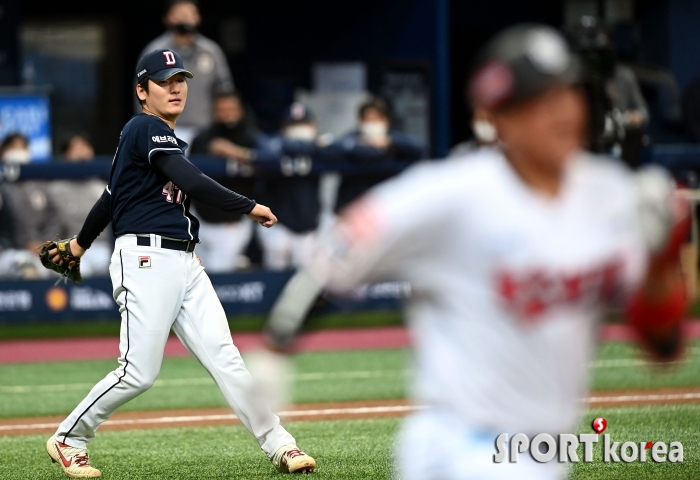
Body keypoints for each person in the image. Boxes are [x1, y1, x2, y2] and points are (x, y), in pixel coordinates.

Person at [261, 25, 688, 479]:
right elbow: (335, 256)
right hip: (461, 447)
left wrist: (661, 261)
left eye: (567, 95)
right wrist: (277, 346)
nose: (560, 113)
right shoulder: (451, 194)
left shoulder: (611, 194)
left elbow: (662, 346)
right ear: (497, 117)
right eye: (536, 103)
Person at [44, 48, 315, 478]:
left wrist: (78, 245)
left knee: (226, 358)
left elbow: (111, 198)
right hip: (146, 259)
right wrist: (248, 205)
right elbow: (189, 180)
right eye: (164, 80)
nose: (175, 88)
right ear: (141, 90)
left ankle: (281, 445)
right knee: (138, 373)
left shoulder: (156, 138)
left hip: (184, 261)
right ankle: (68, 438)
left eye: (180, 80)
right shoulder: (144, 127)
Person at [137, 0, 235, 144]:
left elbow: (225, 91)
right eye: (180, 13)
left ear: (198, 17)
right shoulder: (154, 51)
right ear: (168, 18)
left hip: (206, 130)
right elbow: (142, 94)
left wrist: (224, 130)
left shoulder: (211, 51)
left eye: (189, 13)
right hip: (166, 129)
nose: (185, 18)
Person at [189, 91, 257, 272]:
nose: (227, 114)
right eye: (222, 110)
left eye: (231, 109)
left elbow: (265, 161)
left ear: (241, 110)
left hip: (231, 224)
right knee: (196, 277)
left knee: (220, 279)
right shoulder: (201, 139)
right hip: (201, 221)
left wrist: (233, 151)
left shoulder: (251, 138)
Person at [254, 103, 327, 270]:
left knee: (306, 278)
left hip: (307, 225)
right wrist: (311, 146)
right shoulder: (271, 143)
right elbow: (264, 150)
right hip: (276, 223)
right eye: (293, 125)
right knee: (276, 260)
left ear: (313, 126)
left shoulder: (322, 146)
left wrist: (315, 146)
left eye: (303, 124)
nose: (299, 130)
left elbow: (339, 150)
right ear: (283, 128)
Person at [334, 97, 425, 212]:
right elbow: (336, 149)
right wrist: (365, 145)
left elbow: (419, 148)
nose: (372, 124)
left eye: (377, 119)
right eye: (368, 119)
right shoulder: (352, 138)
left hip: (386, 204)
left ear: (386, 121)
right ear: (360, 121)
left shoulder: (394, 139)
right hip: (354, 204)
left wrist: (388, 143)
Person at [46, 133, 111, 277]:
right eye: (76, 148)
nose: (82, 152)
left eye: (85, 147)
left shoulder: (102, 187)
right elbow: (51, 227)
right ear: (65, 155)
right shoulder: (55, 190)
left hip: (103, 247)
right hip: (70, 247)